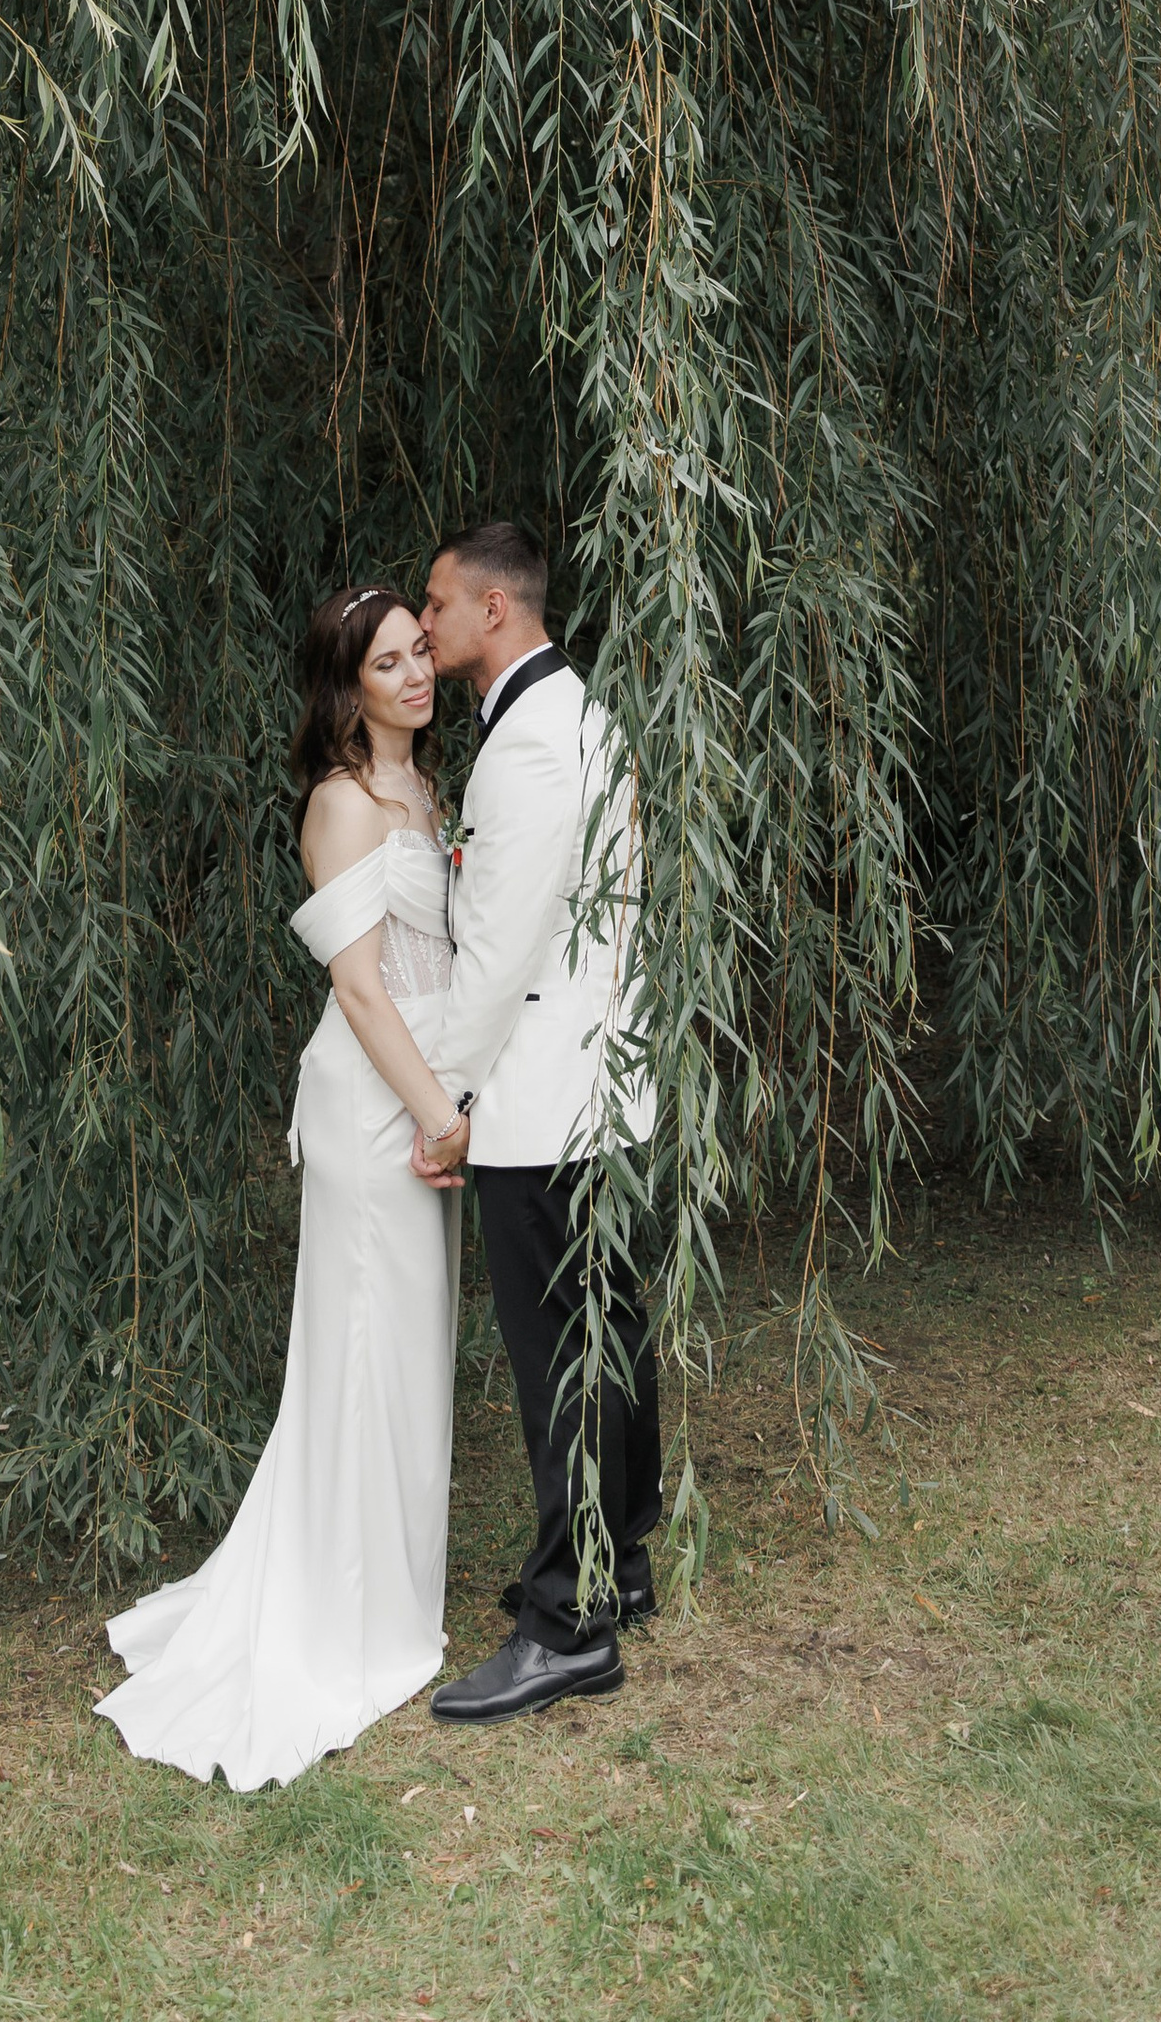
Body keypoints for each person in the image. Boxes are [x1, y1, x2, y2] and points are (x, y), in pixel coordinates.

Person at [94, 585, 464, 1787]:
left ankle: (393, 1594)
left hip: (419, 1096)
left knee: (408, 1347)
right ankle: (342, 1617)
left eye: (420, 652)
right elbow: (361, 991)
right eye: (389, 662)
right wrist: (434, 1115)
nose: (415, 674)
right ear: (345, 687)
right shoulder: (341, 807)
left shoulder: (420, 790)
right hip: (377, 1111)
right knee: (365, 1345)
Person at [412, 522, 662, 1725]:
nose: (425, 626)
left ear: (495, 612)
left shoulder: (526, 747)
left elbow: (501, 946)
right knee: (608, 1331)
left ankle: (568, 1625)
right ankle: (621, 1556)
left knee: (561, 1355)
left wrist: (446, 1096)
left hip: (544, 1104)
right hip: (600, 1089)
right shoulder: (582, 715)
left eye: (439, 605)